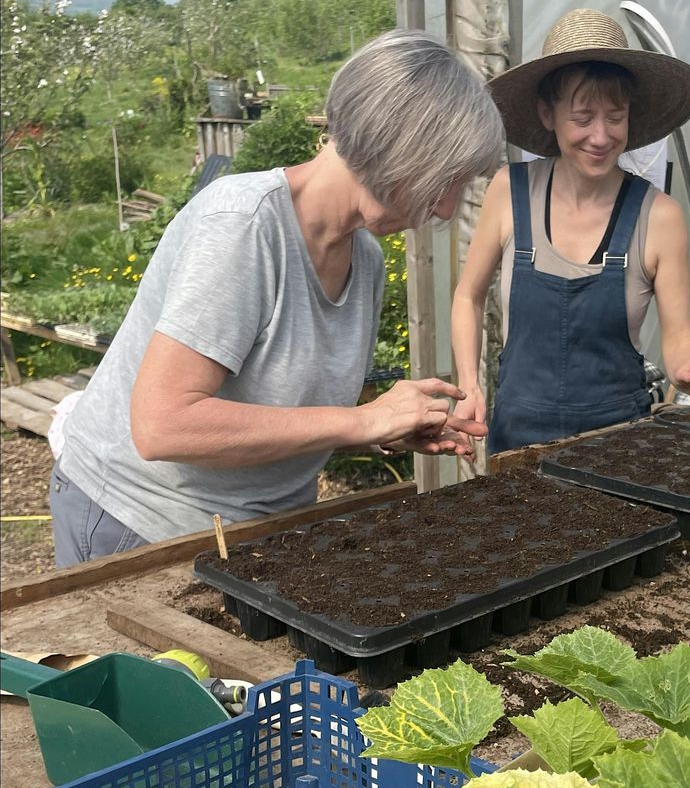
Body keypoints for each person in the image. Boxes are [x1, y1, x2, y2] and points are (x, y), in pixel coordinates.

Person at [50, 30, 502, 566]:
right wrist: (362, 421)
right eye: (446, 181)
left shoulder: (367, 260)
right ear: (397, 150)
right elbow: (162, 425)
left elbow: (281, 416)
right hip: (142, 523)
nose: (448, 208)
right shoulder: (243, 225)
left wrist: (389, 426)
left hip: (259, 528)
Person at [451, 9, 690, 454]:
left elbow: (678, 338)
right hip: (516, 440)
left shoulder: (658, 216)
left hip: (618, 444)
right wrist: (469, 385)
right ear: (547, 113)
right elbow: (467, 297)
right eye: (582, 118)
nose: (601, 137)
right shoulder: (510, 191)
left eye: (615, 117)